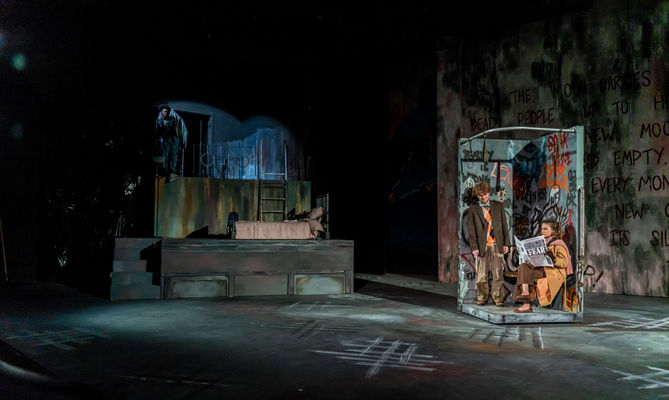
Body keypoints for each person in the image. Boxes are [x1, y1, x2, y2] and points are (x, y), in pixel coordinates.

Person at [513, 218, 574, 313]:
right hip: (539, 268)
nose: (543, 231)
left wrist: (553, 258)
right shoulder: (540, 242)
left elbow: (564, 263)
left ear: (553, 230)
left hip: (551, 271)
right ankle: (526, 293)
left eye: (546, 229)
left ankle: (526, 305)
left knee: (525, 275)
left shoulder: (558, 244)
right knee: (523, 267)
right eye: (542, 229)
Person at [467, 181, 510, 306]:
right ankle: (482, 297)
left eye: (485, 194)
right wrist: (474, 247)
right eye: (480, 195)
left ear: (488, 193)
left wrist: (506, 244)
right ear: (477, 196)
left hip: (497, 244)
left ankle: (498, 298)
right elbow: (471, 230)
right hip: (482, 246)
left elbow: (504, 226)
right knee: (481, 274)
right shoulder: (473, 210)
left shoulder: (498, 206)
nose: (483, 197)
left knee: (498, 273)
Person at [154, 104, 188, 181]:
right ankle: (163, 170)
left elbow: (179, 128)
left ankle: (172, 170)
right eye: (164, 111)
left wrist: (180, 138)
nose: (166, 113)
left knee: (174, 154)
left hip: (174, 139)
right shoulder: (159, 120)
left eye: (167, 111)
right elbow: (157, 131)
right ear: (161, 112)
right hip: (166, 139)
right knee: (165, 155)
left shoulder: (173, 118)